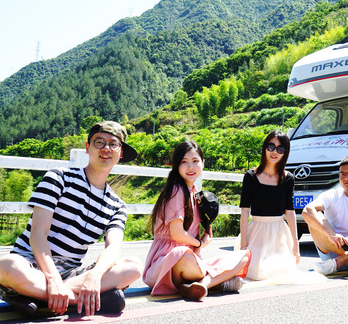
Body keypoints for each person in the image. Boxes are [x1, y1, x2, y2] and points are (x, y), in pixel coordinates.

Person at [0, 121, 144, 317]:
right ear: (88, 147)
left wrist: (95, 275)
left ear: (120, 153)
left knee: (133, 266)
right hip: (31, 263)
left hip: (72, 273)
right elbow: (38, 234)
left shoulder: (117, 205)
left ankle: (38, 297)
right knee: (8, 266)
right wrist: (52, 279)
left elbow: (113, 248)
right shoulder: (58, 178)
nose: (106, 149)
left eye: (113, 144)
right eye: (99, 142)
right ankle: (78, 300)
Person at [143, 141, 250, 300]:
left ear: (203, 162)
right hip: (166, 263)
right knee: (183, 253)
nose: (190, 167)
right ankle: (218, 282)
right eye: (184, 162)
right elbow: (177, 234)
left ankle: (201, 285)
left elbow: (194, 239)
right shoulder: (177, 190)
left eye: (195, 161)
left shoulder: (195, 194)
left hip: (188, 264)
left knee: (244, 256)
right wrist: (199, 244)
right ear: (176, 166)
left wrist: (201, 242)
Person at [236, 130, 301, 281]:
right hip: (256, 231)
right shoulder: (251, 176)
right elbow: (245, 211)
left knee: (280, 273)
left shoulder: (288, 178)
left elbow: (290, 212)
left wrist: (295, 244)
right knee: (255, 272)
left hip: (279, 233)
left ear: (285, 152)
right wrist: (244, 242)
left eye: (280, 149)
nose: (274, 152)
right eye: (271, 146)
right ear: (265, 148)